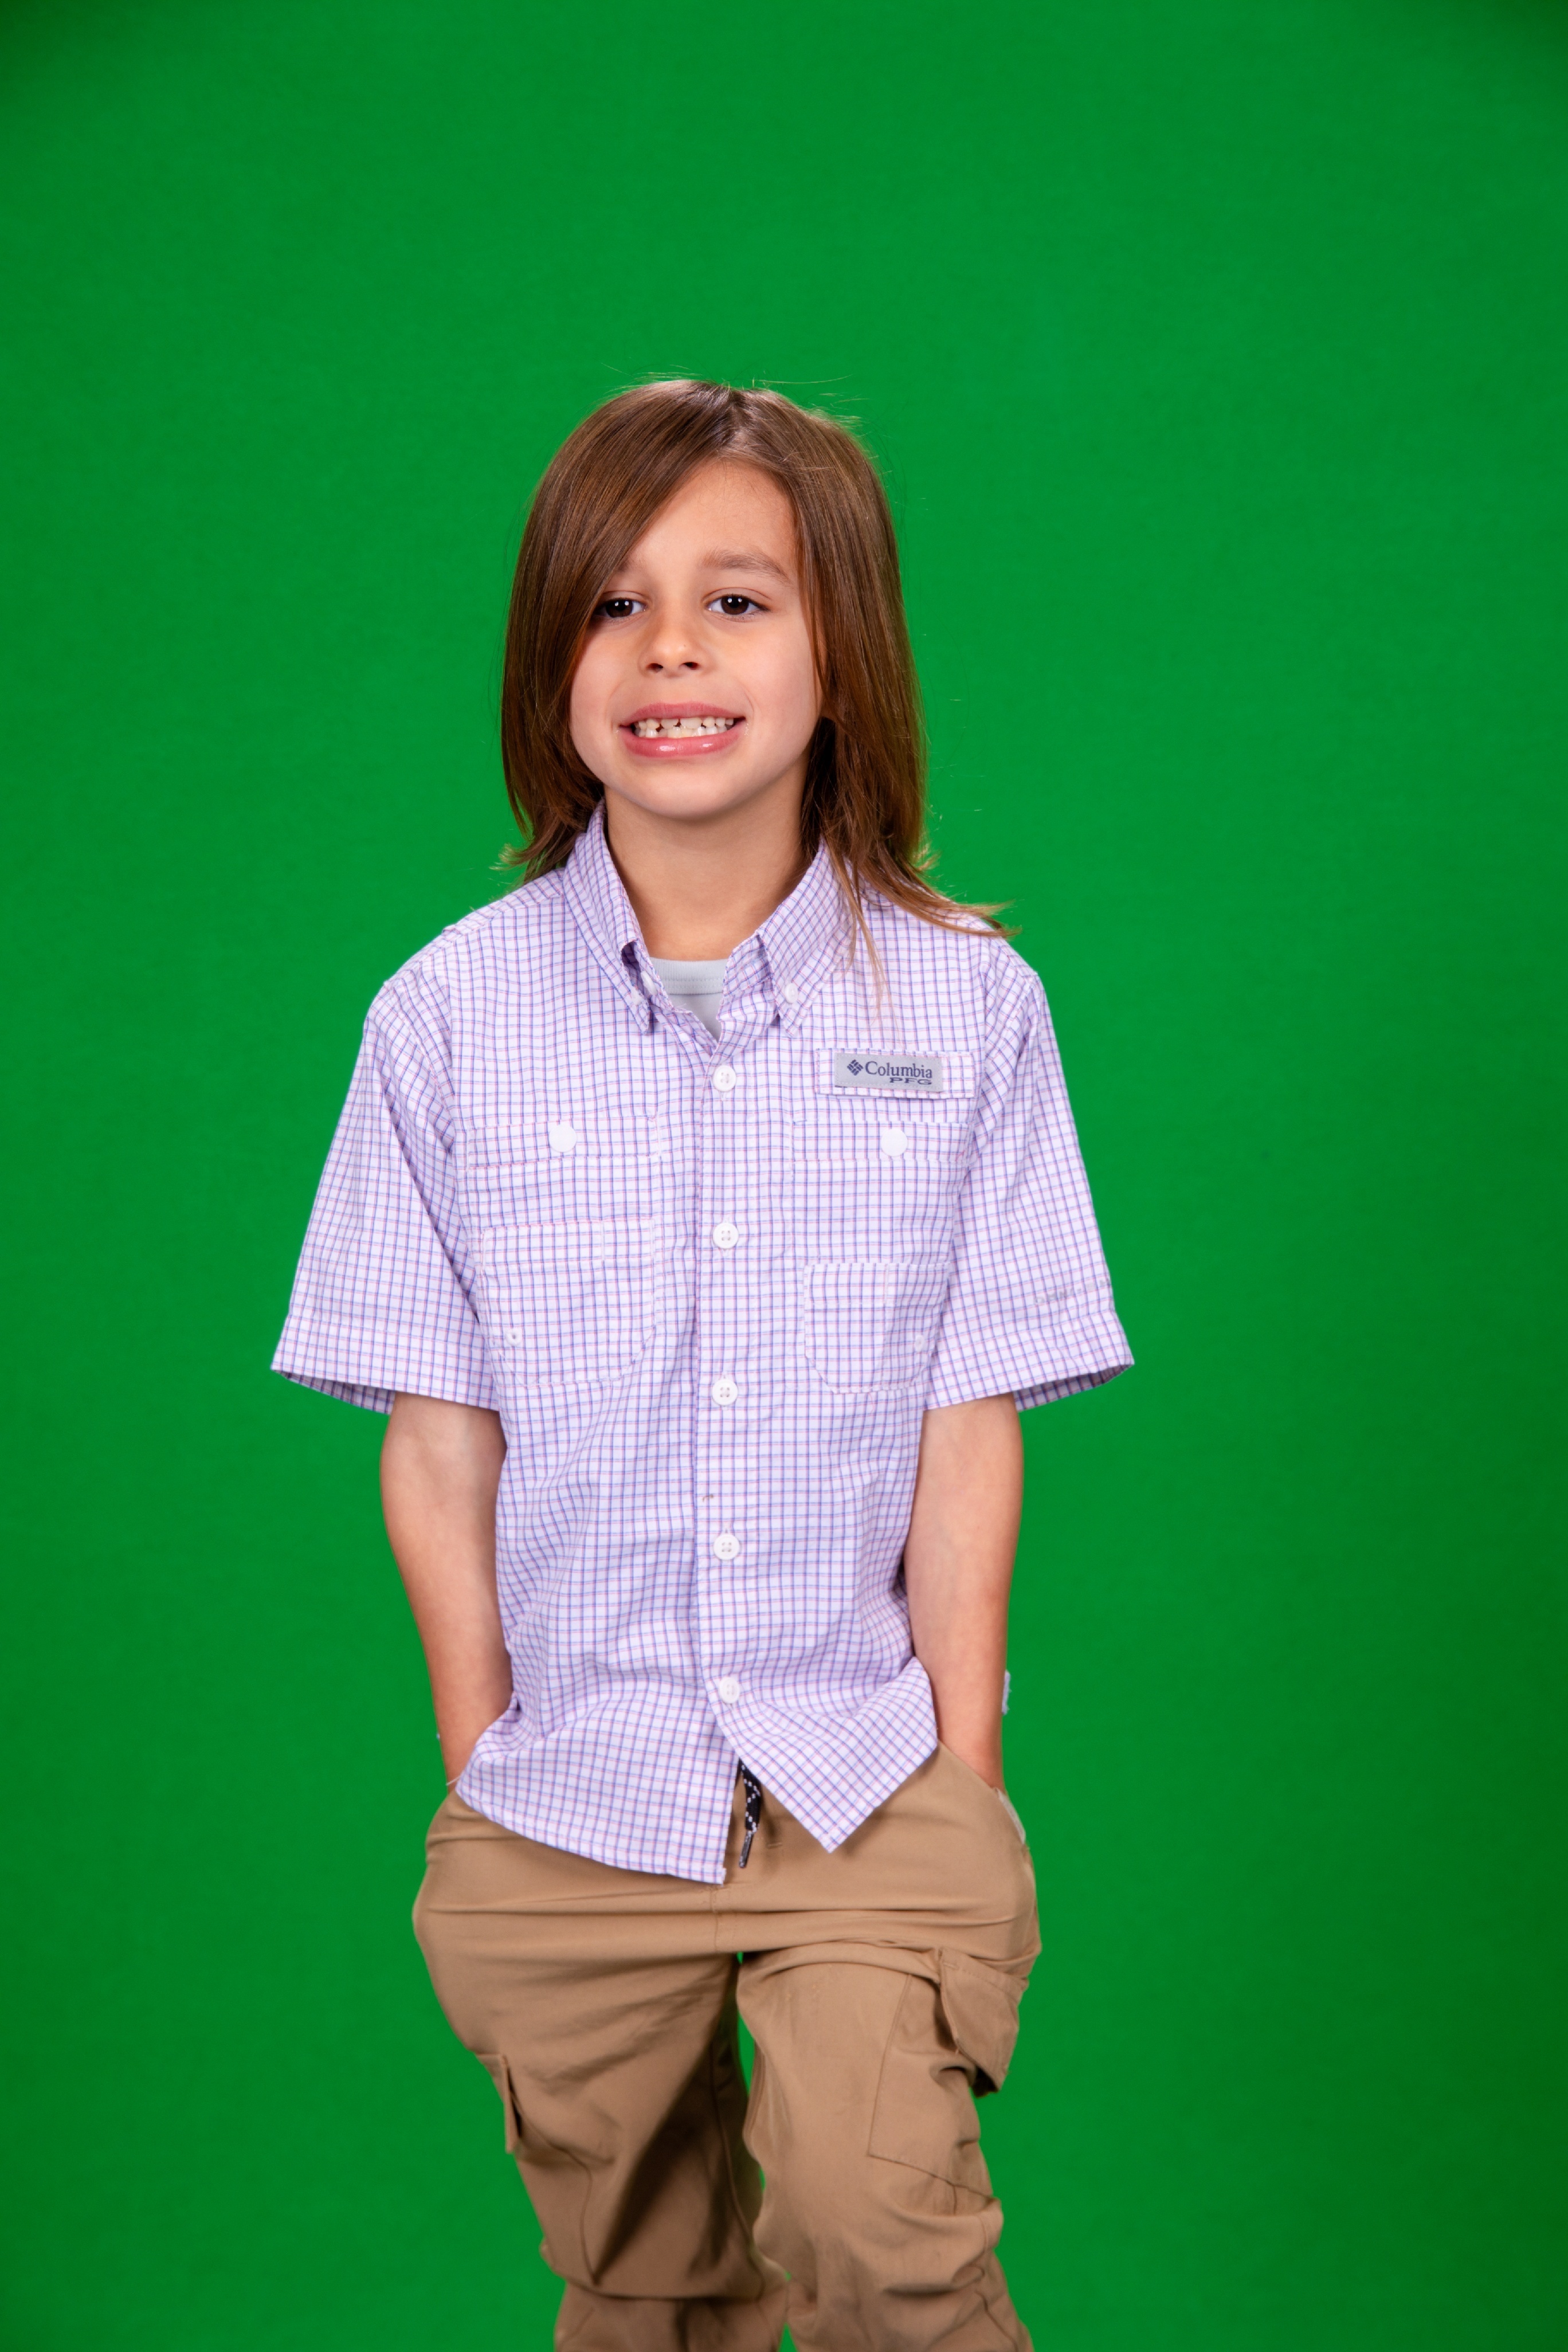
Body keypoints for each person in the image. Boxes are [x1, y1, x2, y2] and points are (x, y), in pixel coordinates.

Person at [273, 379, 1131, 2352]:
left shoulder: (972, 1010)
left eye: (739, 600)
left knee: (880, 2228)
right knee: (644, 2289)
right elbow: (438, 1431)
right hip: (568, 1788)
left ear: (844, 655)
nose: (671, 648)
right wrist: (484, 1753)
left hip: (863, 1768)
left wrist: (966, 1782)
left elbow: (970, 1421)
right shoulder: (443, 1020)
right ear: (552, 662)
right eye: (614, 603)